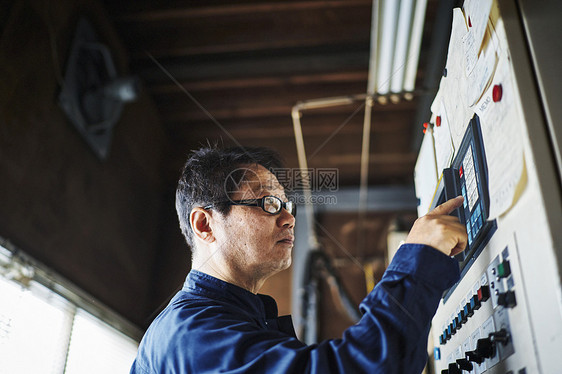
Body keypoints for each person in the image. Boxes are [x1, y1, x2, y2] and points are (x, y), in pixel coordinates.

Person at [130, 146, 467, 374]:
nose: (289, 219)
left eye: (286, 205)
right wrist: (418, 261)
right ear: (205, 224)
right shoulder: (192, 334)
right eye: (267, 203)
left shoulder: (226, 318)